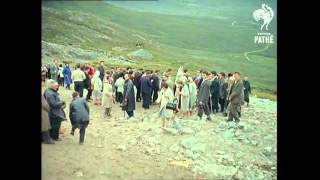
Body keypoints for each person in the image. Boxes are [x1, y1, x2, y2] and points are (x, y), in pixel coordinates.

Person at [42, 79, 54, 144]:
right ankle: (47, 140)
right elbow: (45, 105)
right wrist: (48, 108)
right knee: (45, 127)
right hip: (43, 113)